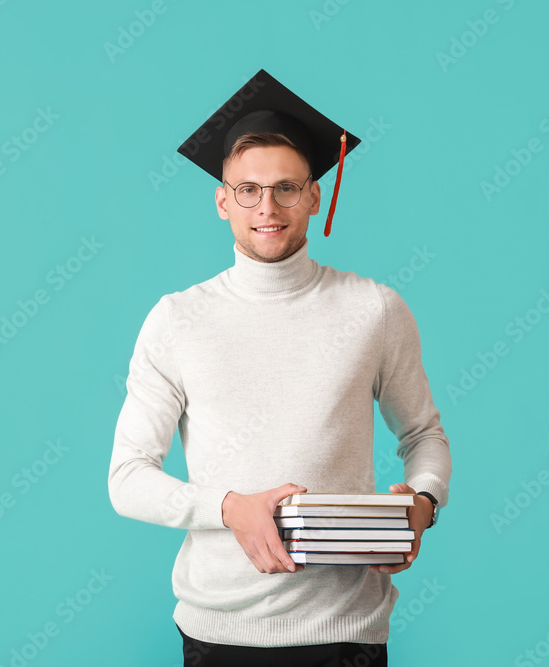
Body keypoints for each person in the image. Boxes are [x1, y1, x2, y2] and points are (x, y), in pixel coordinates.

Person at [108, 69, 451, 667]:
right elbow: (127, 478)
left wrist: (420, 506)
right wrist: (227, 508)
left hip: (346, 632)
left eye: (287, 188)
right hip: (219, 634)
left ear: (315, 196)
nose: (268, 206)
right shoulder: (177, 320)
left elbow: (423, 435)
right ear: (222, 200)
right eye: (248, 189)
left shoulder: (374, 309)